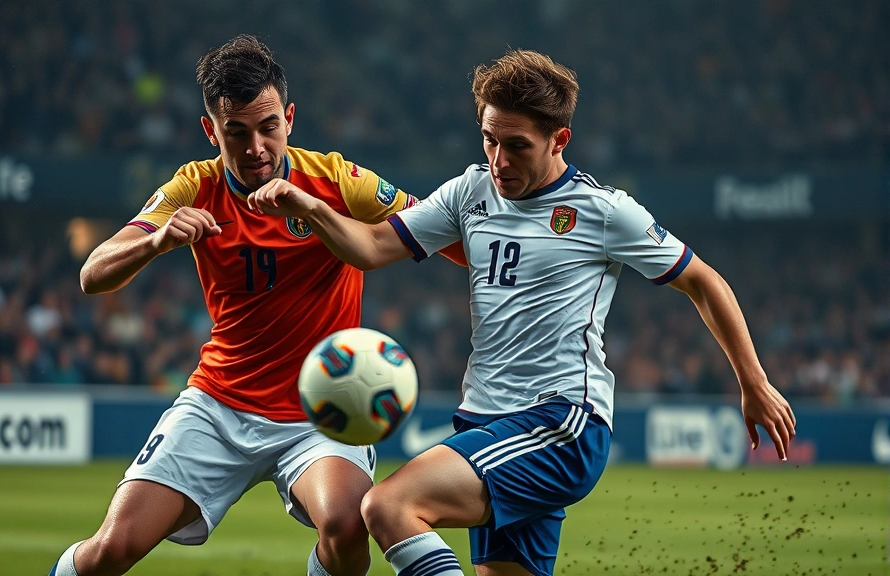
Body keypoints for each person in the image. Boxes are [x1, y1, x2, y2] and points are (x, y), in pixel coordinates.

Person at [247, 48, 797, 576]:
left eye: (517, 146)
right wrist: (314, 208)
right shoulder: (470, 191)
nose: (499, 160)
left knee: (388, 507)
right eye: (489, 140)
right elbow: (369, 248)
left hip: (559, 421)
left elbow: (703, 281)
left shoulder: (604, 212)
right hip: (485, 420)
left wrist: (753, 382)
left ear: (560, 139)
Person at [47, 35, 463, 576]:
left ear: (289, 117)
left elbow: (440, 231)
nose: (255, 148)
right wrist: (156, 240)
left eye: (269, 127)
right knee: (114, 547)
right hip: (220, 403)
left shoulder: (337, 180)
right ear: (210, 130)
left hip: (322, 410)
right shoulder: (192, 187)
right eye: (235, 133)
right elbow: (92, 273)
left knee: (344, 523)